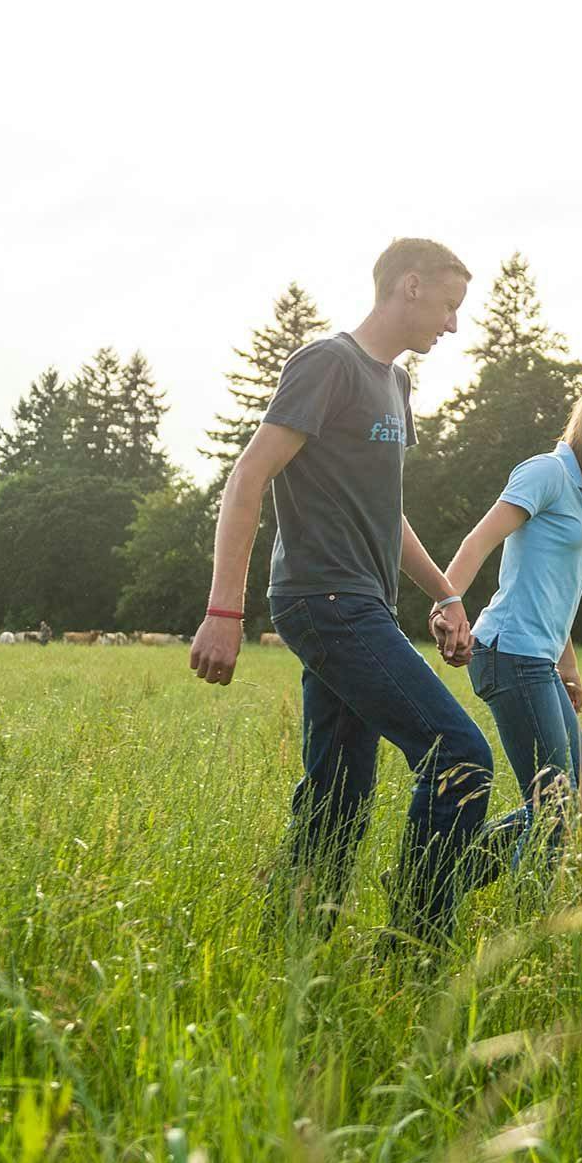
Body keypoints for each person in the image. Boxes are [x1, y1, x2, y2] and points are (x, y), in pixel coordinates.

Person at [189, 239, 494, 947]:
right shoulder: (328, 364)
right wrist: (224, 611)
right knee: (460, 756)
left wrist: (447, 595)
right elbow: (248, 477)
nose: (453, 325)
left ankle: (293, 943)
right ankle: (417, 944)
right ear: (409, 287)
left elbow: (387, 514)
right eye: (449, 306)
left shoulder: (396, 385)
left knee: (339, 796)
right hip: (324, 599)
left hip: (361, 601)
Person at [436, 376, 582, 878]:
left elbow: (555, 592)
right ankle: (522, 921)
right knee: (556, 807)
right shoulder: (547, 473)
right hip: (509, 654)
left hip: (540, 659)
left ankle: (438, 873)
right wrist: (448, 603)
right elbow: (479, 540)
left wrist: (571, 666)